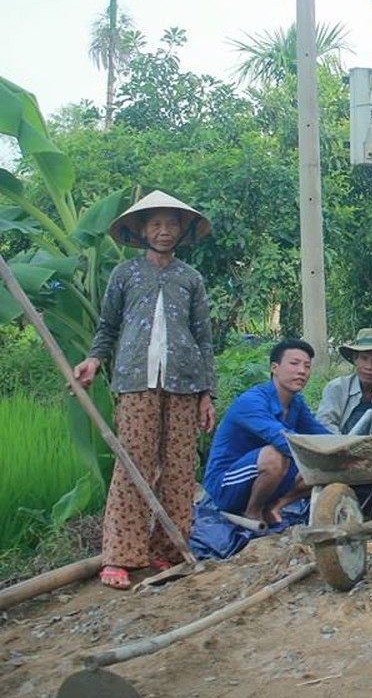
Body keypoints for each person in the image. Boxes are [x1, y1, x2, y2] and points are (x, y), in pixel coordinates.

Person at [74, 191, 218, 591]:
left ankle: (168, 552)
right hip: (136, 382)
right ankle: (120, 555)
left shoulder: (191, 278)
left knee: (178, 470)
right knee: (132, 466)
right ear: (140, 229)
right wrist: (93, 360)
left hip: (185, 384)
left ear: (182, 229)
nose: (164, 231)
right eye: (155, 223)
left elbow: (204, 340)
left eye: (171, 223)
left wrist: (209, 393)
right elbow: (107, 327)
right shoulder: (126, 275)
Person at [202, 339, 329, 528]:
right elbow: (283, 439)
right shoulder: (252, 401)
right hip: (226, 485)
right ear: (274, 368)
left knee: (326, 467)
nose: (302, 371)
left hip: (265, 479)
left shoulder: (296, 403)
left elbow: (321, 435)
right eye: (294, 364)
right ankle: (252, 513)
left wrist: (350, 451)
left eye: (307, 366)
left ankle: (274, 506)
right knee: (276, 454)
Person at [316, 327, 372, 435]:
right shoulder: (337, 387)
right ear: (355, 359)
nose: (369, 366)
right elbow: (325, 423)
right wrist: (342, 446)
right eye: (364, 358)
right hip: (337, 447)